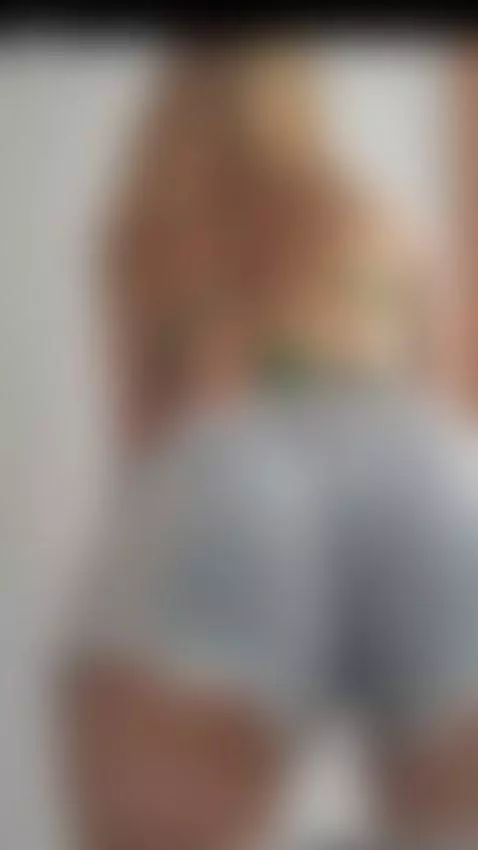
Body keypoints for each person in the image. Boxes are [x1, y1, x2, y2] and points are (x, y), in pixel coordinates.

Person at [63, 44, 478, 850]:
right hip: (421, 469)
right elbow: (436, 391)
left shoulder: (150, 227)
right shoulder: (372, 215)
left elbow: (142, 434)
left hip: (233, 471)